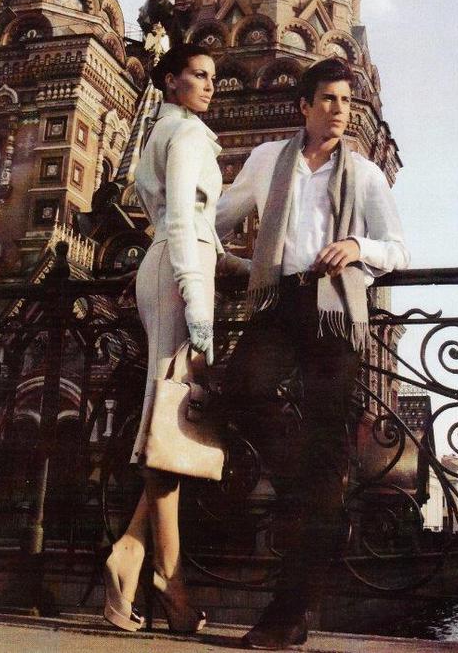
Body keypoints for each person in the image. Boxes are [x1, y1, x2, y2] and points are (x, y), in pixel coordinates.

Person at [216, 57, 410, 650]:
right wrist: (174, 227)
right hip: (280, 300)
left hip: (334, 313)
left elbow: (398, 249)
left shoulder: (366, 175)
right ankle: (304, 480)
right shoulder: (267, 159)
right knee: (240, 389)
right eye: (328, 99)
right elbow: (221, 215)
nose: (339, 110)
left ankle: (289, 614)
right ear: (303, 106)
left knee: (328, 456)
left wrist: (357, 246)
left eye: (346, 101)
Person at [102, 43, 225, 634]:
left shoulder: (167, 131)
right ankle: (168, 582)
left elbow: (191, 221)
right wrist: (198, 300)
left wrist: (234, 264)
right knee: (170, 418)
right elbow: (180, 216)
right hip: (181, 273)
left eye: (212, 76)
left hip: (175, 266)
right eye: (198, 75)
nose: (209, 85)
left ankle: (130, 553)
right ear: (171, 80)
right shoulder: (188, 134)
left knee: (168, 417)